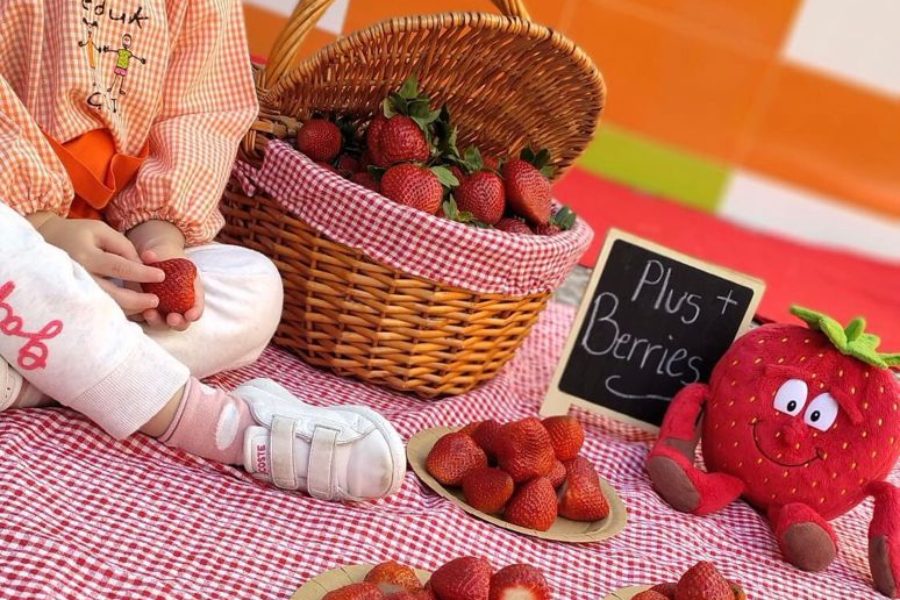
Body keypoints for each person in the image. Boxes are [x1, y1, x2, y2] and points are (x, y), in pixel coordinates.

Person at [0, 0, 405, 501]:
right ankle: (219, 425)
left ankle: (38, 376)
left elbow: (196, 109)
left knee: (253, 286)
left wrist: (158, 237)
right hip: (13, 221)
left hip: (109, 252)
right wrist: (40, 224)